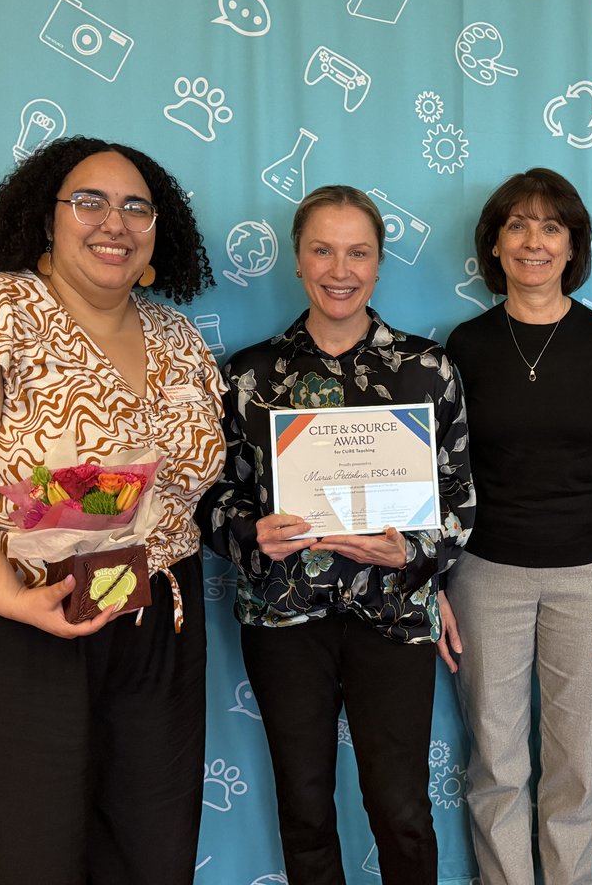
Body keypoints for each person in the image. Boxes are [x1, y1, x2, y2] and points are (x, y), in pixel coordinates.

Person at [0, 137, 225, 885]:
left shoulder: (179, 339)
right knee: (15, 847)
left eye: (137, 207)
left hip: (149, 613)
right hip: (0, 615)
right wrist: (14, 599)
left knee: (148, 846)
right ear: (46, 217)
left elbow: (176, 489)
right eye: (89, 201)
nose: (115, 223)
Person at [196, 185, 475, 885]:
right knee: (305, 805)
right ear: (297, 259)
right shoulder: (251, 375)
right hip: (283, 617)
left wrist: (410, 553)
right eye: (323, 249)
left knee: (402, 807)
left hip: (394, 614)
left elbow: (461, 499)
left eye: (358, 252)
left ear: (380, 264)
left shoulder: (427, 369)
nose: (340, 268)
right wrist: (251, 533)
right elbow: (209, 498)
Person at [440, 168, 592, 885]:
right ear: (494, 245)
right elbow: (443, 474)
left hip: (591, 577)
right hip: (484, 575)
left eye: (551, 226)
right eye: (519, 225)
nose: (534, 241)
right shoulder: (463, 346)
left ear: (572, 246)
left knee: (579, 762)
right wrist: (433, 581)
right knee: (496, 762)